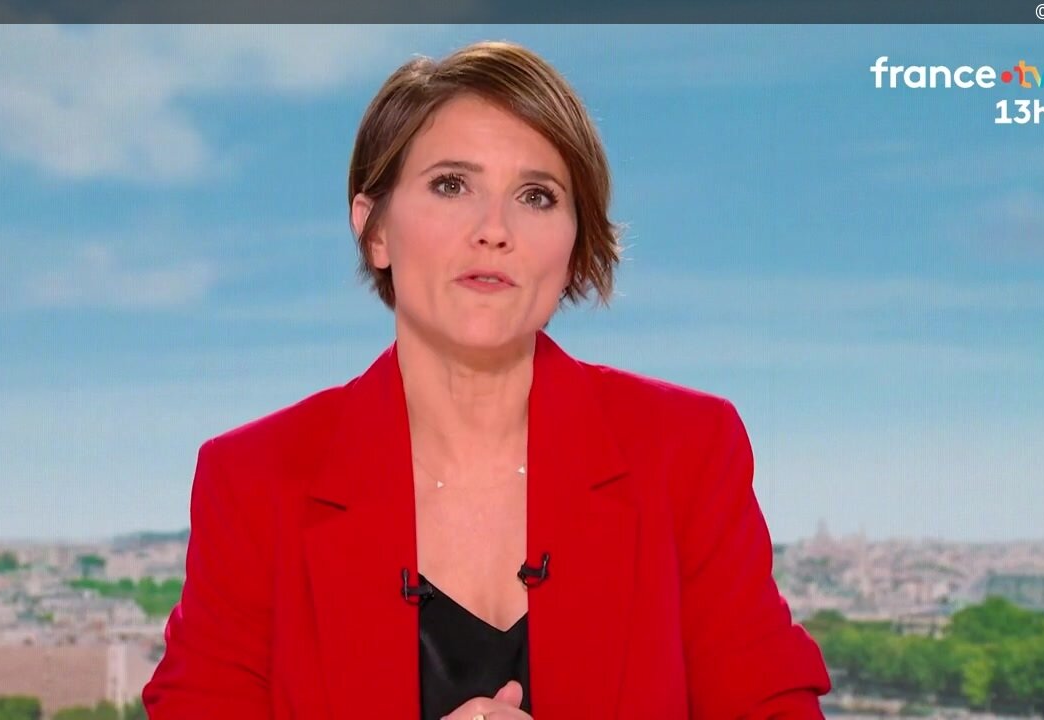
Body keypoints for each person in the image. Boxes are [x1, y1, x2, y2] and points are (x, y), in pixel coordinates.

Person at [141, 39, 832, 719]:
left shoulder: (687, 451)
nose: (494, 229)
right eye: (451, 185)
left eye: (536, 196)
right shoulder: (254, 480)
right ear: (374, 229)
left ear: (573, 245)